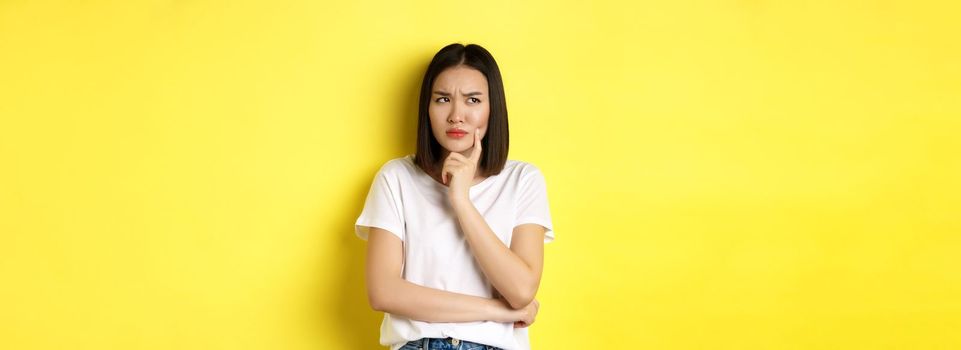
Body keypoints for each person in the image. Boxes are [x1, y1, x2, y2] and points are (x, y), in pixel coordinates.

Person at [355, 43, 555, 350]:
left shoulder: (523, 180)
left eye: (473, 100)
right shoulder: (397, 178)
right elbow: (383, 292)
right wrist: (496, 311)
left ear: (492, 108)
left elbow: (521, 289)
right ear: (428, 108)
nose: (456, 115)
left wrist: (461, 200)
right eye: (443, 99)